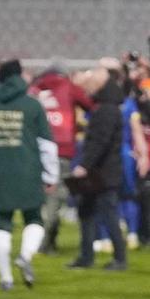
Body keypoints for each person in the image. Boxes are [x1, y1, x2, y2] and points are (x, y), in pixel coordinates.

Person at [0, 60, 57, 289]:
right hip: (30, 172)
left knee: (1, 223)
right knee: (34, 219)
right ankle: (25, 256)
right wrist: (50, 175)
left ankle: (5, 278)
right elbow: (46, 145)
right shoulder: (33, 105)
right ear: (19, 76)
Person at [67, 65, 128, 270]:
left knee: (108, 214)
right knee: (88, 212)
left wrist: (84, 165)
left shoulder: (106, 110)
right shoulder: (107, 108)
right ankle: (87, 256)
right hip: (102, 171)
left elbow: (100, 142)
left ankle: (119, 258)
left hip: (103, 173)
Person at [28, 62, 93, 253]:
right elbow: (90, 106)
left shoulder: (35, 89)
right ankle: (46, 240)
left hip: (36, 148)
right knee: (56, 196)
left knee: (40, 195)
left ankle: (40, 237)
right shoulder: (69, 87)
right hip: (61, 149)